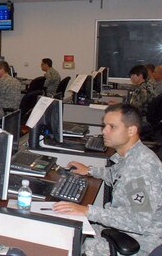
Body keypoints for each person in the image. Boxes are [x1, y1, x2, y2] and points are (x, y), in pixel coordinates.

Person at [53, 103, 162, 255]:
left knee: (65, 244)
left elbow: (137, 222)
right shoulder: (133, 155)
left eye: (112, 127)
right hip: (121, 230)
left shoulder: (140, 168)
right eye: (105, 126)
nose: (104, 131)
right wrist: (89, 170)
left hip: (138, 242)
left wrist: (88, 211)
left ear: (131, 130)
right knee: (67, 228)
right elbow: (116, 176)